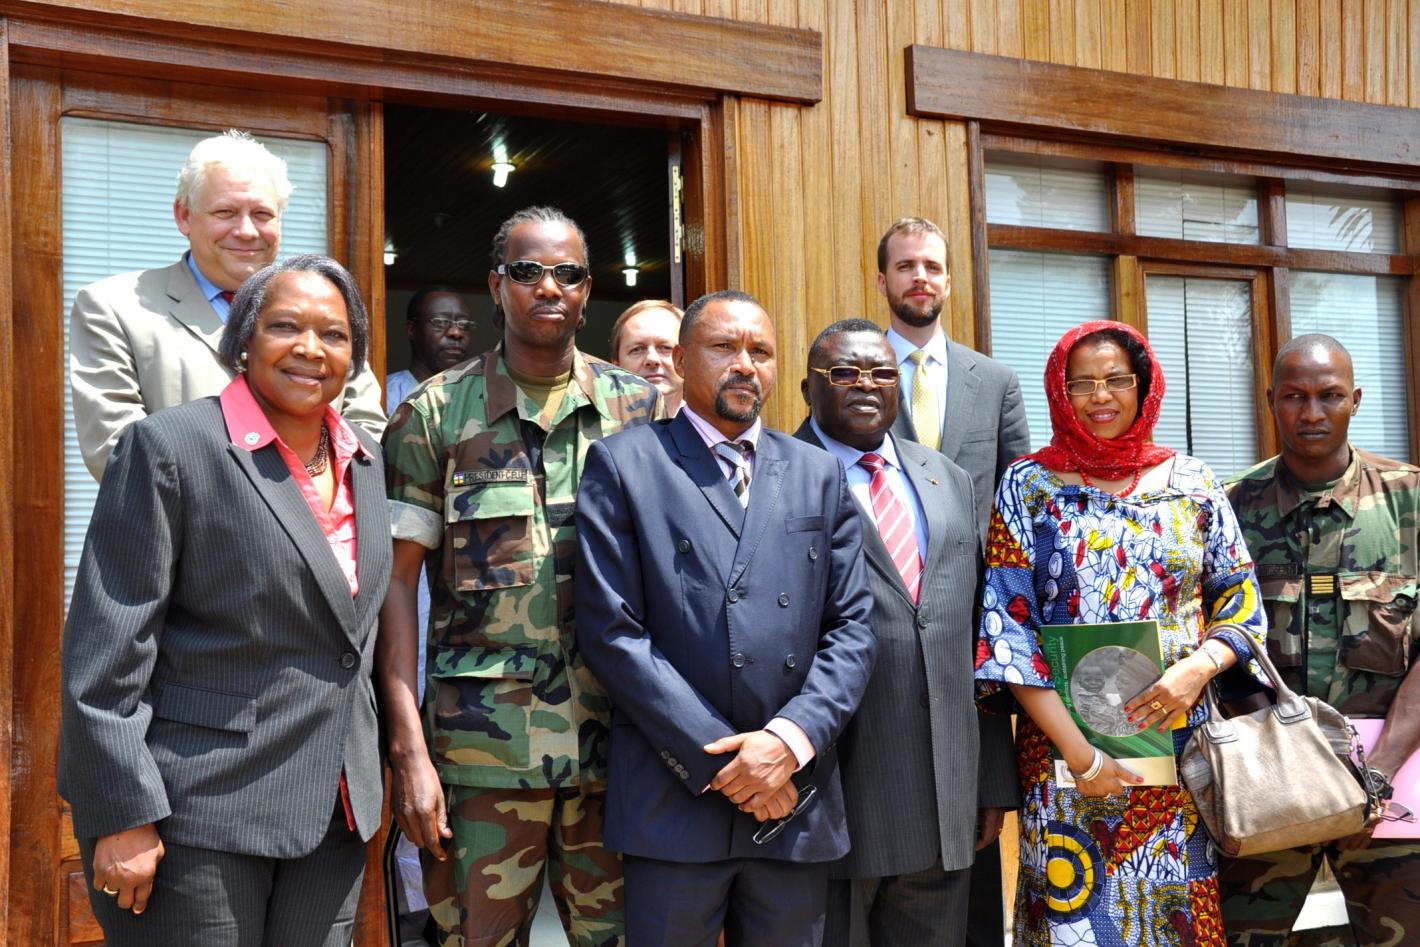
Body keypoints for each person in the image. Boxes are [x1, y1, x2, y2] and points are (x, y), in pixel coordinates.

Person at [58, 254, 391, 946]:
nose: (310, 348)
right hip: (198, 812)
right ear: (243, 339)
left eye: (334, 334)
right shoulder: (170, 447)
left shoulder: (365, 460)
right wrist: (121, 810)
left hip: (332, 812)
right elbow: (107, 648)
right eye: (285, 327)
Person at [379, 206, 662, 947]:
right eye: (528, 271)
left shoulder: (640, 411)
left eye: (568, 274)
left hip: (617, 752)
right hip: (483, 758)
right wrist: (408, 752)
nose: (549, 287)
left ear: (587, 290)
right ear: (496, 285)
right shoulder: (434, 414)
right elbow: (395, 586)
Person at [574, 290, 877, 947]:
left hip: (792, 798)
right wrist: (728, 764)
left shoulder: (818, 472)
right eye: (724, 347)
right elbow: (612, 631)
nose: (745, 364)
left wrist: (788, 743)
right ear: (682, 360)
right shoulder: (626, 464)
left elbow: (853, 628)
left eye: (760, 351)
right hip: (675, 797)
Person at [974, 320, 1267, 947]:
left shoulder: (1194, 482)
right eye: (1081, 384)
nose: (1100, 396)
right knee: (1074, 921)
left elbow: (1242, 600)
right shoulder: (1028, 486)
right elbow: (1007, 633)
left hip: (1183, 753)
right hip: (1066, 756)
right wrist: (1084, 759)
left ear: (1144, 386)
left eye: (1115, 380)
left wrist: (1199, 669)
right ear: (1060, 394)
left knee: (1177, 919)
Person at [793, 319, 1018, 947]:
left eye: (882, 373)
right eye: (844, 372)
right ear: (809, 389)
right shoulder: (777, 474)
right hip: (829, 796)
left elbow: (977, 637)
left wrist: (991, 779)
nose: (865, 385)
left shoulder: (948, 478)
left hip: (942, 799)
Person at [1219, 334, 1420, 946]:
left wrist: (1378, 772)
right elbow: (1215, 645)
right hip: (1267, 787)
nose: (1312, 413)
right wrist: (1285, 765)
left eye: (1329, 395)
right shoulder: (1229, 507)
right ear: (1270, 402)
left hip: (1393, 787)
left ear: (1355, 399)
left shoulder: (1411, 500)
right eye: (1295, 397)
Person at [70, 129, 386, 481]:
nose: (247, 230)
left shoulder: (326, 312)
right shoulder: (114, 308)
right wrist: (257, 500)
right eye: (226, 212)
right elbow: (119, 453)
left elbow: (367, 436)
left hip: (320, 514)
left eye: (262, 214)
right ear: (184, 216)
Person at [878, 217, 1029, 536]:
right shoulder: (851, 380)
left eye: (932, 267)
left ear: (947, 283)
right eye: (905, 266)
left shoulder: (997, 384)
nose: (920, 277)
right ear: (882, 281)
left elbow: (1017, 499)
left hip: (973, 566)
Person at [386, 286, 475, 409]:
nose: (456, 332)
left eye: (464, 325)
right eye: (440, 322)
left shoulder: (480, 396)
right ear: (412, 329)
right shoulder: (386, 396)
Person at [610, 298, 684, 414]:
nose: (652, 359)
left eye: (666, 348)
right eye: (637, 349)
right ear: (616, 365)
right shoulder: (594, 424)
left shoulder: (712, 422)